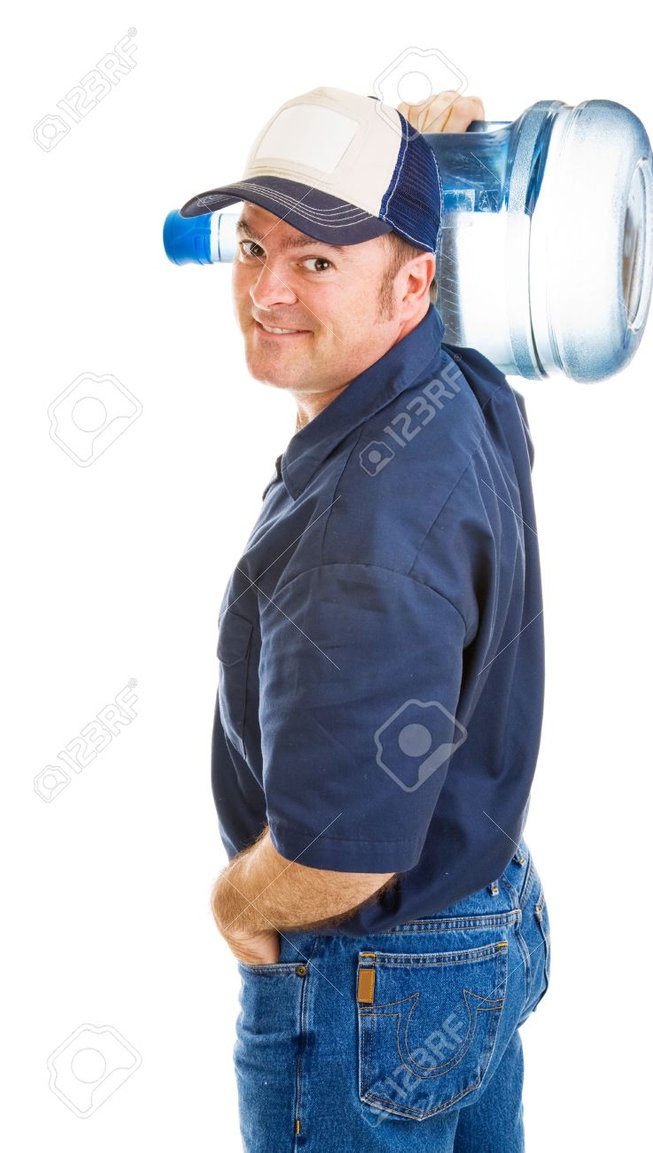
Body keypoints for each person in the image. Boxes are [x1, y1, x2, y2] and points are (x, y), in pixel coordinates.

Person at [178, 85, 550, 1152]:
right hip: (481, 916)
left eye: (319, 263)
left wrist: (242, 907)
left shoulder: (359, 543)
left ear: (410, 286)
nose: (269, 291)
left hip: (373, 976)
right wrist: (415, 175)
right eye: (255, 248)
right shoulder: (459, 393)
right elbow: (414, 284)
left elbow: (344, 853)